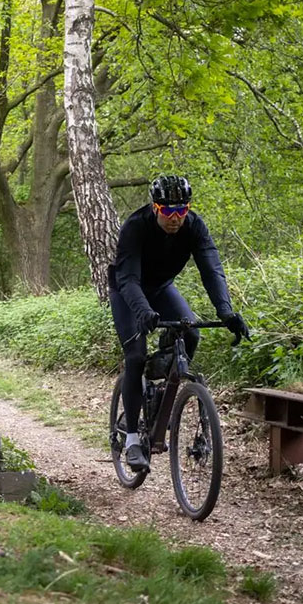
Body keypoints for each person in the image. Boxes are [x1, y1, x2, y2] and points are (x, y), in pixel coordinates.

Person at [109, 175, 249, 472]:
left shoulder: (195, 227)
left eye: (182, 211)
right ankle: (133, 438)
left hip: (160, 288)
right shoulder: (136, 227)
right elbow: (129, 279)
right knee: (135, 356)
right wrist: (144, 311)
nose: (175, 218)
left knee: (191, 334)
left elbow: (212, 270)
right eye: (169, 211)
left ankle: (160, 393)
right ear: (155, 207)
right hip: (127, 291)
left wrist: (226, 312)